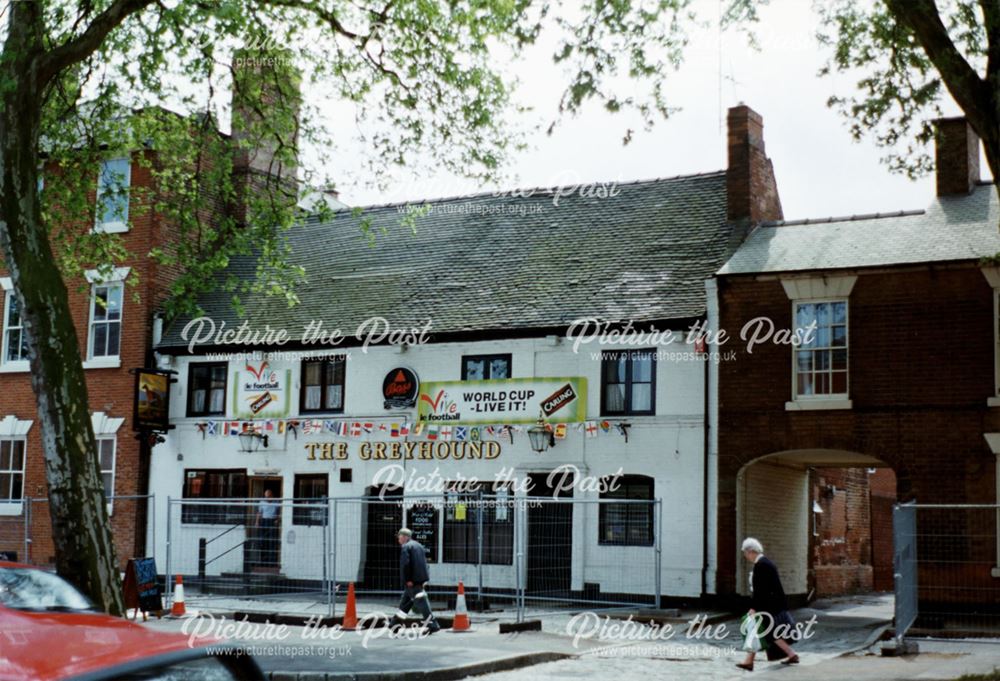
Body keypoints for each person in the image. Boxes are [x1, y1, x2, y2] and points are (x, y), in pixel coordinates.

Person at [736, 537, 799, 671]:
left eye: (745, 553)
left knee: (767, 632)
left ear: (751, 551)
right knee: (759, 630)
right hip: (773, 604)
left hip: (768, 606)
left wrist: (754, 607)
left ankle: (791, 654)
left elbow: (760, 590)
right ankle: (749, 661)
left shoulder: (761, 566)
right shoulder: (767, 563)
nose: (746, 556)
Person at [394, 528, 440, 633]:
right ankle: (395, 624)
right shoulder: (418, 546)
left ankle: (433, 624)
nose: (398, 538)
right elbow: (424, 563)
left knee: (421, 602)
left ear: (405, 537)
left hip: (412, 581)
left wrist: (408, 579)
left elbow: (406, 565)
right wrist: (424, 578)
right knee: (406, 602)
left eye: (400, 536)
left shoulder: (406, 547)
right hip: (420, 579)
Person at [255, 488, 280, 568]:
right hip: (264, 522)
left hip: (272, 522)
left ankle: (272, 563)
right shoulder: (262, 502)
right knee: (263, 541)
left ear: (272, 496)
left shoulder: (277, 502)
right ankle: (263, 563)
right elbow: (259, 512)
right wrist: (257, 522)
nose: (267, 498)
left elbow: (281, 512)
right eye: (266, 496)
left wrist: (277, 519)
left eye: (269, 496)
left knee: (272, 542)